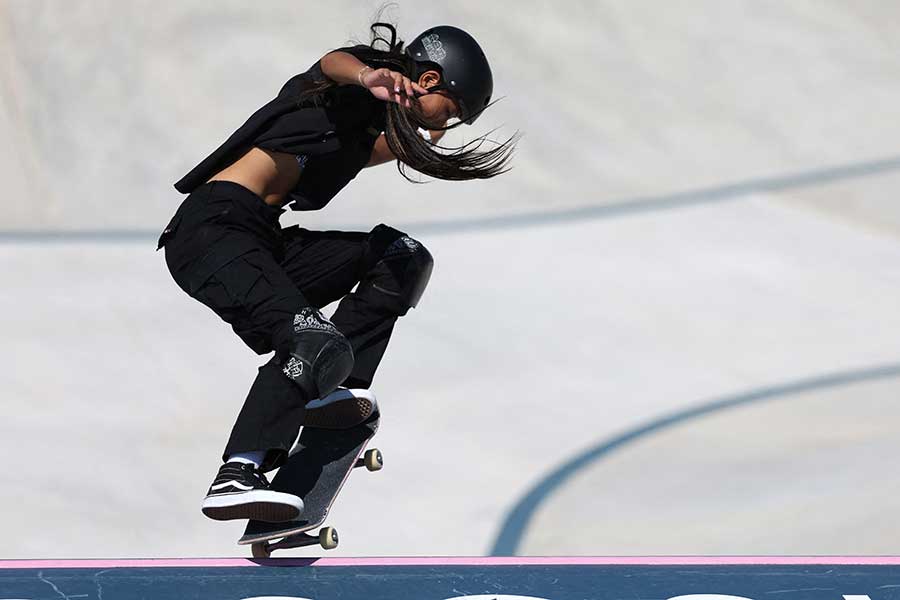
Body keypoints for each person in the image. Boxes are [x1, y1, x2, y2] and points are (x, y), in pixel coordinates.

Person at [159, 21, 516, 523]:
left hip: (264, 240)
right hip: (211, 232)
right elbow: (332, 62)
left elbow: (385, 147)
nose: (447, 125)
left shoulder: (359, 135)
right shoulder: (339, 89)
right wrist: (369, 74)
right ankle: (238, 473)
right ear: (431, 81)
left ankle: (334, 385)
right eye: (452, 112)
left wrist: (422, 128)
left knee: (402, 257)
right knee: (311, 339)